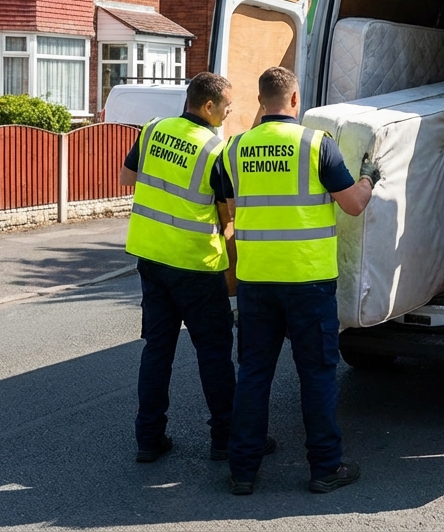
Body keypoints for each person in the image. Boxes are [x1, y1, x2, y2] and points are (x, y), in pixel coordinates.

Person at [224, 66, 380, 496]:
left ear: (261, 101)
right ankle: (325, 468)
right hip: (308, 280)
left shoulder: (236, 148)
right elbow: (352, 206)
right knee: (316, 374)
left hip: (256, 278)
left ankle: (242, 471)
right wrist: (369, 178)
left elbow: (232, 204)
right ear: (296, 100)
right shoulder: (317, 144)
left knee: (254, 374)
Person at [120, 71, 276, 465]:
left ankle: (148, 439)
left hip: (151, 259)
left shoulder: (154, 130)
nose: (229, 113)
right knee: (214, 353)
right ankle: (225, 438)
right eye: (226, 107)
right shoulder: (214, 150)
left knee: (157, 350)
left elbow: (127, 178)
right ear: (208, 106)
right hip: (196, 265)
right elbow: (229, 215)